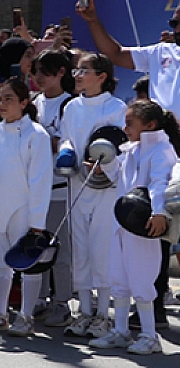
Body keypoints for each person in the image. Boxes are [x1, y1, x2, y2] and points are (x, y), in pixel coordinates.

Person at [89, 99, 178, 355]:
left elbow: (160, 184)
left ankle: (150, 336)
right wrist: (105, 162)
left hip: (145, 225)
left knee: (141, 280)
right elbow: (119, 177)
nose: (125, 128)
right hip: (123, 223)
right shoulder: (132, 150)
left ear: (149, 124)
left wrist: (159, 212)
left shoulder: (161, 150)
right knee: (119, 277)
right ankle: (120, 331)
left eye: (130, 123)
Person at [0, 78, 53, 336]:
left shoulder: (36, 135)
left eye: (8, 99)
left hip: (25, 208)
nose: (2, 104)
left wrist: (37, 225)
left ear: (24, 102)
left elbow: (41, 181)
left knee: (28, 263)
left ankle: (26, 316)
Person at [57, 52, 126, 338]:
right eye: (77, 71)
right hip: (77, 183)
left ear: (102, 76)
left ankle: (102, 315)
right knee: (80, 248)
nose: (78, 76)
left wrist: (104, 166)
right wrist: (66, 151)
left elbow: (121, 145)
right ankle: (83, 312)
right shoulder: (71, 107)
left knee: (102, 249)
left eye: (84, 71)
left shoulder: (116, 107)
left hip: (105, 189)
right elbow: (67, 136)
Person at [29, 49, 75, 327]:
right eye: (36, 72)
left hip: (60, 187)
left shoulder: (70, 104)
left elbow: (65, 142)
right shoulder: (36, 102)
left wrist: (45, 142)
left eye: (45, 72)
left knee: (61, 249)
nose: (39, 78)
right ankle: (39, 298)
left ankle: (63, 302)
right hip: (36, 187)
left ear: (61, 73)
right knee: (37, 246)